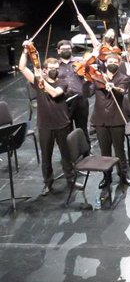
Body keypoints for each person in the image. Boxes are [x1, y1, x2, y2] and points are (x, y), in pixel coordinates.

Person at [18, 43, 75, 196]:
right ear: (44, 70)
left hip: (62, 123)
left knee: (66, 154)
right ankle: (47, 183)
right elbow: (22, 68)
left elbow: (55, 94)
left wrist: (42, 82)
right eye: (51, 68)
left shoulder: (62, 82)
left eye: (56, 68)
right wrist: (25, 52)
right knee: (46, 156)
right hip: (45, 125)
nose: (55, 70)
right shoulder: (38, 80)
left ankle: (70, 179)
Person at [90, 48, 130, 188]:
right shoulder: (98, 77)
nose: (112, 63)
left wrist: (113, 87)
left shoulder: (123, 78)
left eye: (115, 61)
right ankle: (106, 176)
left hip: (116, 119)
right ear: (105, 62)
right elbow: (87, 91)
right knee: (104, 151)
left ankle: (123, 175)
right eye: (110, 61)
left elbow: (122, 91)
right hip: (100, 119)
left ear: (119, 63)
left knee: (119, 149)